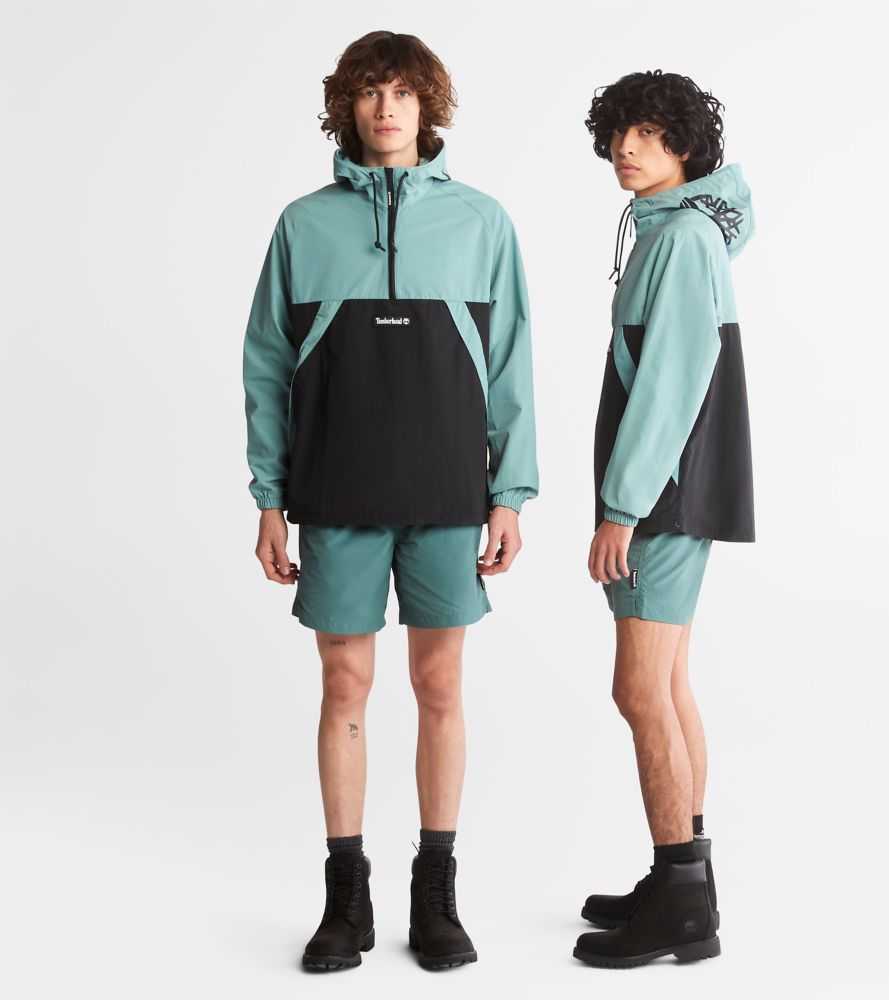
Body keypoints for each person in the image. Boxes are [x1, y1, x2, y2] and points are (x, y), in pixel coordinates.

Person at [241, 30, 538, 973]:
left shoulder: (482, 222)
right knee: (345, 685)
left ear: (427, 105)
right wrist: (269, 497)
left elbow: (512, 363)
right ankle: (346, 897)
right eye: (371, 91)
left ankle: (436, 891)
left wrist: (511, 492)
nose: (386, 108)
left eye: (403, 91)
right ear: (348, 106)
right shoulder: (303, 225)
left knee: (440, 685)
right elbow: (267, 365)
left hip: (449, 491)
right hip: (336, 487)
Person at [574, 70, 755, 969]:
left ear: (685, 143)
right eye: (618, 133)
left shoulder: (681, 239)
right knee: (670, 684)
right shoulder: (673, 231)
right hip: (680, 492)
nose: (626, 148)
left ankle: (682, 899)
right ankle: (684, 879)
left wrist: (622, 508)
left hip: (664, 496)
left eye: (647, 133)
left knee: (639, 691)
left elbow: (671, 386)